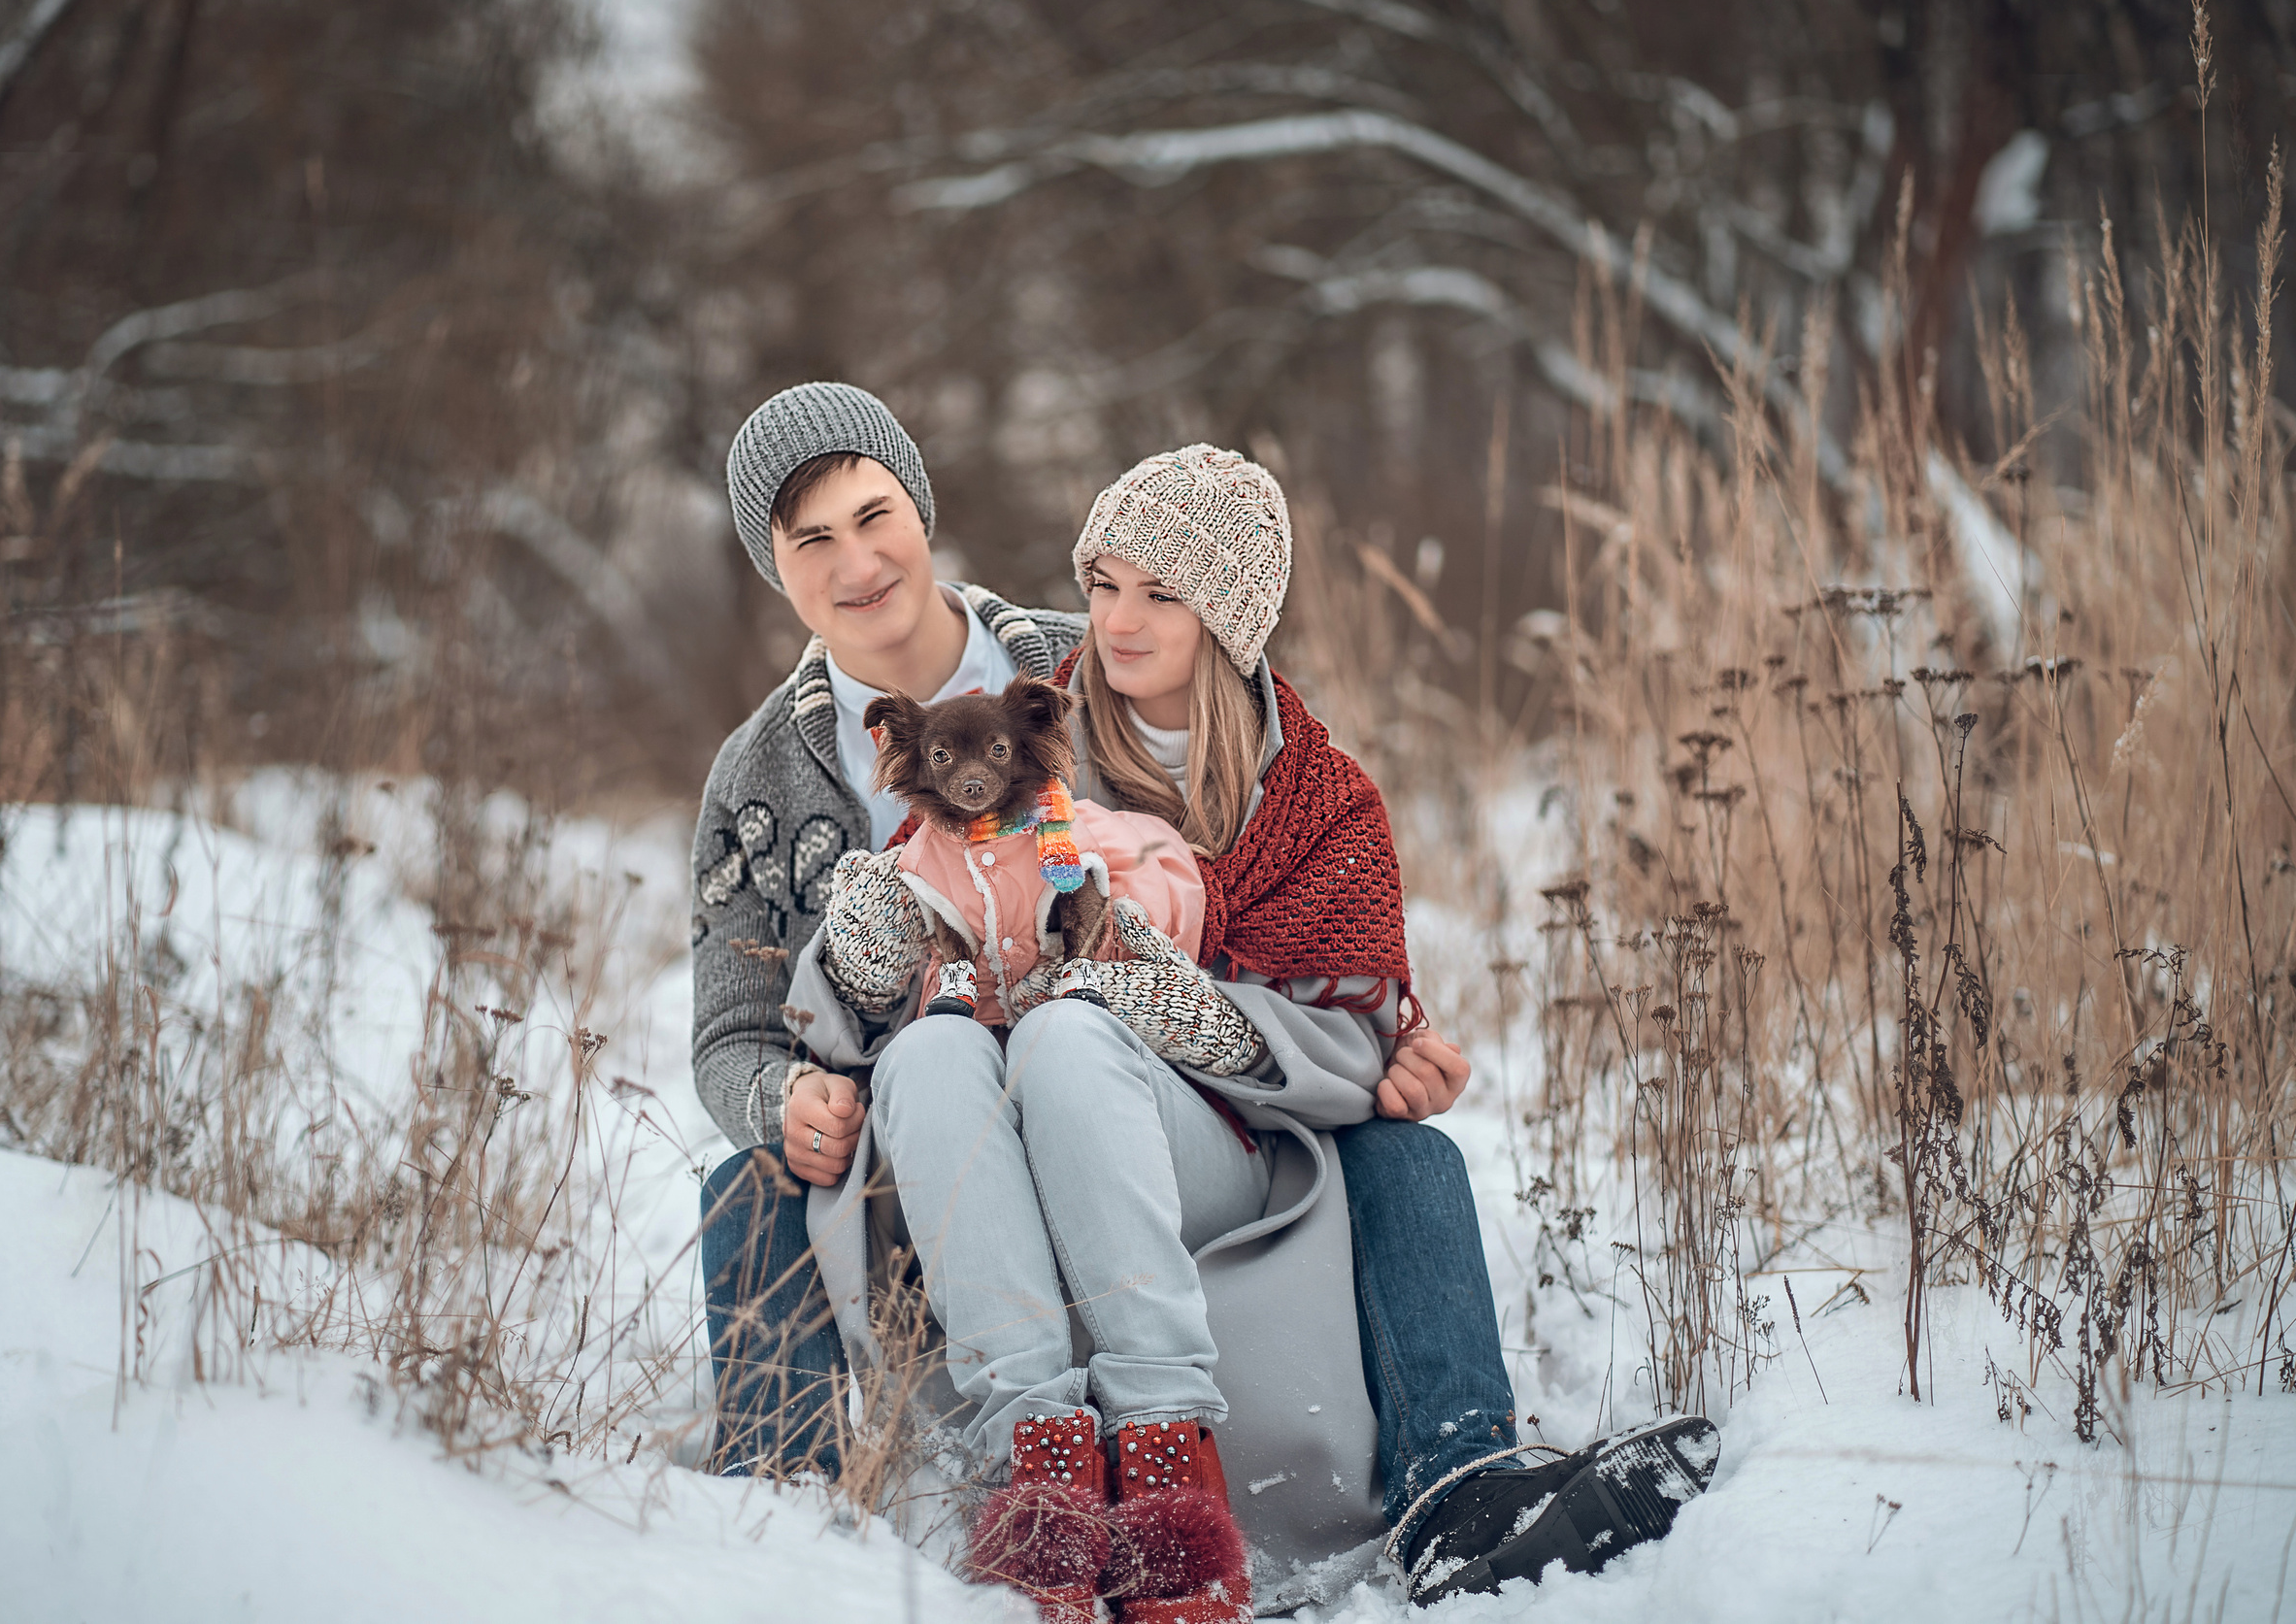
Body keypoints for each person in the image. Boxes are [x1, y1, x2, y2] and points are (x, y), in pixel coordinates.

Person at [691, 391, 1714, 1611]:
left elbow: (1257, 825)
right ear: (772, 566)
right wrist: (785, 1091)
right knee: (757, 1177)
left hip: (1134, 1089)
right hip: (926, 1132)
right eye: (811, 539)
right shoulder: (756, 777)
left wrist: (1371, 1023)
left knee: (1389, 1146)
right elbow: (733, 1031)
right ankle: (780, 1524)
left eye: (874, 516)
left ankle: (1452, 1482)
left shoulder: (1076, 669)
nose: (857, 561)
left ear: (921, 507)